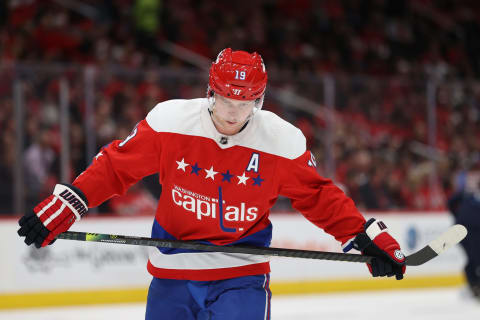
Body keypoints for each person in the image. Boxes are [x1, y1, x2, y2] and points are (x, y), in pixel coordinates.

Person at [18, 48, 406, 319]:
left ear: (260, 100)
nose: (233, 113)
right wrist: (70, 203)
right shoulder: (171, 122)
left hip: (242, 273)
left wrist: (363, 235)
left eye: (245, 103)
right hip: (174, 271)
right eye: (225, 100)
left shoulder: (281, 141)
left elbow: (319, 196)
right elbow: (116, 166)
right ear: (210, 92)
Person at [447, 169, 480, 300]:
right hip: (464, 231)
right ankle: (474, 284)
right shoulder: (466, 195)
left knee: (475, 259)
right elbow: (450, 203)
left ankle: (475, 283)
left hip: (476, 232)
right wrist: (459, 217)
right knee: (474, 257)